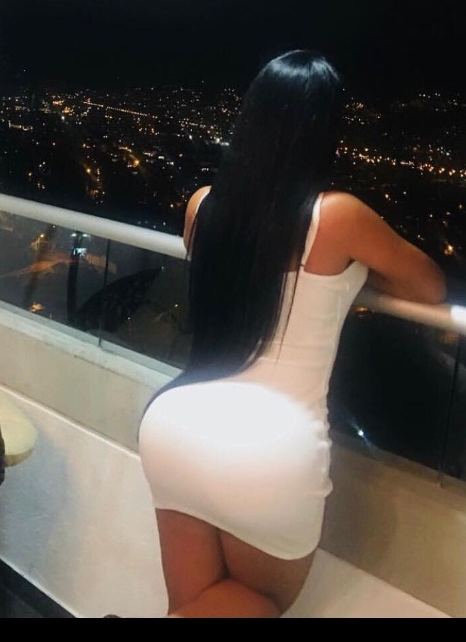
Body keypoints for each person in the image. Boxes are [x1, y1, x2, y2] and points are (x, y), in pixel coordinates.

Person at [138, 50, 446, 618]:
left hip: (175, 422)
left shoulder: (203, 205)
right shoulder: (338, 217)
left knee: (191, 604)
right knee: (261, 600)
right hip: (270, 446)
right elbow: (428, 285)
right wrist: (355, 272)